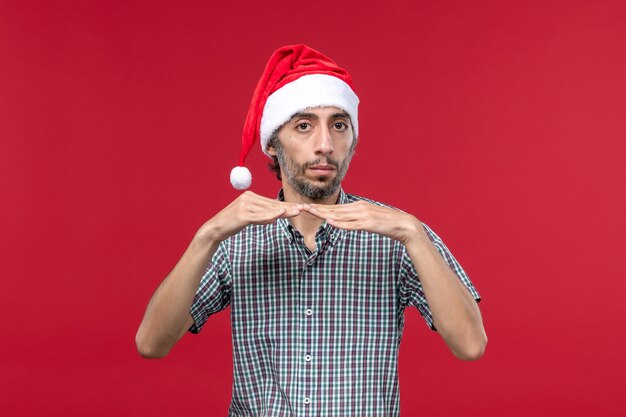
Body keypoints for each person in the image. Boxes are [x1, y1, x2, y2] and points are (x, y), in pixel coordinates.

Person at [136, 44, 487, 416]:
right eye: (304, 126)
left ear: (353, 139)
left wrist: (414, 234)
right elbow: (151, 343)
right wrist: (205, 236)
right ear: (272, 143)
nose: (325, 145)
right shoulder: (234, 240)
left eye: (339, 125)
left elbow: (470, 345)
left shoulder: (397, 235)